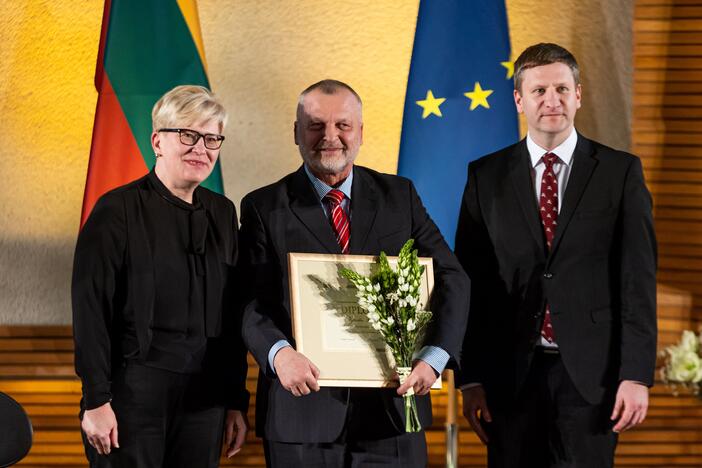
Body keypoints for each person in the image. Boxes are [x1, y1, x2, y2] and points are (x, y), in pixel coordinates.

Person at [239, 79, 469, 467]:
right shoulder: (263, 206)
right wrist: (279, 356)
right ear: (296, 132)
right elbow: (248, 299)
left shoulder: (400, 196)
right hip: (301, 417)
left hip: (393, 413)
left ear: (360, 132)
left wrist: (434, 358)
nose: (330, 137)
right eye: (315, 125)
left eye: (343, 125)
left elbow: (452, 277)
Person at [455, 43, 657, 467]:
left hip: (593, 381)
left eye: (563, 89)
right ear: (518, 99)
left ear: (578, 95)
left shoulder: (620, 173)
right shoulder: (484, 176)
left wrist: (636, 374)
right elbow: (472, 283)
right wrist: (469, 378)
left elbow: (637, 281)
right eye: (540, 90)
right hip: (508, 379)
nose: (552, 101)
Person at [72, 85, 249, 467]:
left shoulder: (222, 213)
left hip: (205, 397)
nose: (200, 148)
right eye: (187, 134)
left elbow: (232, 317)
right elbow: (91, 312)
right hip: (131, 393)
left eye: (212, 138)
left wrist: (237, 400)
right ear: (157, 140)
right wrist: (96, 400)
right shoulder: (116, 210)